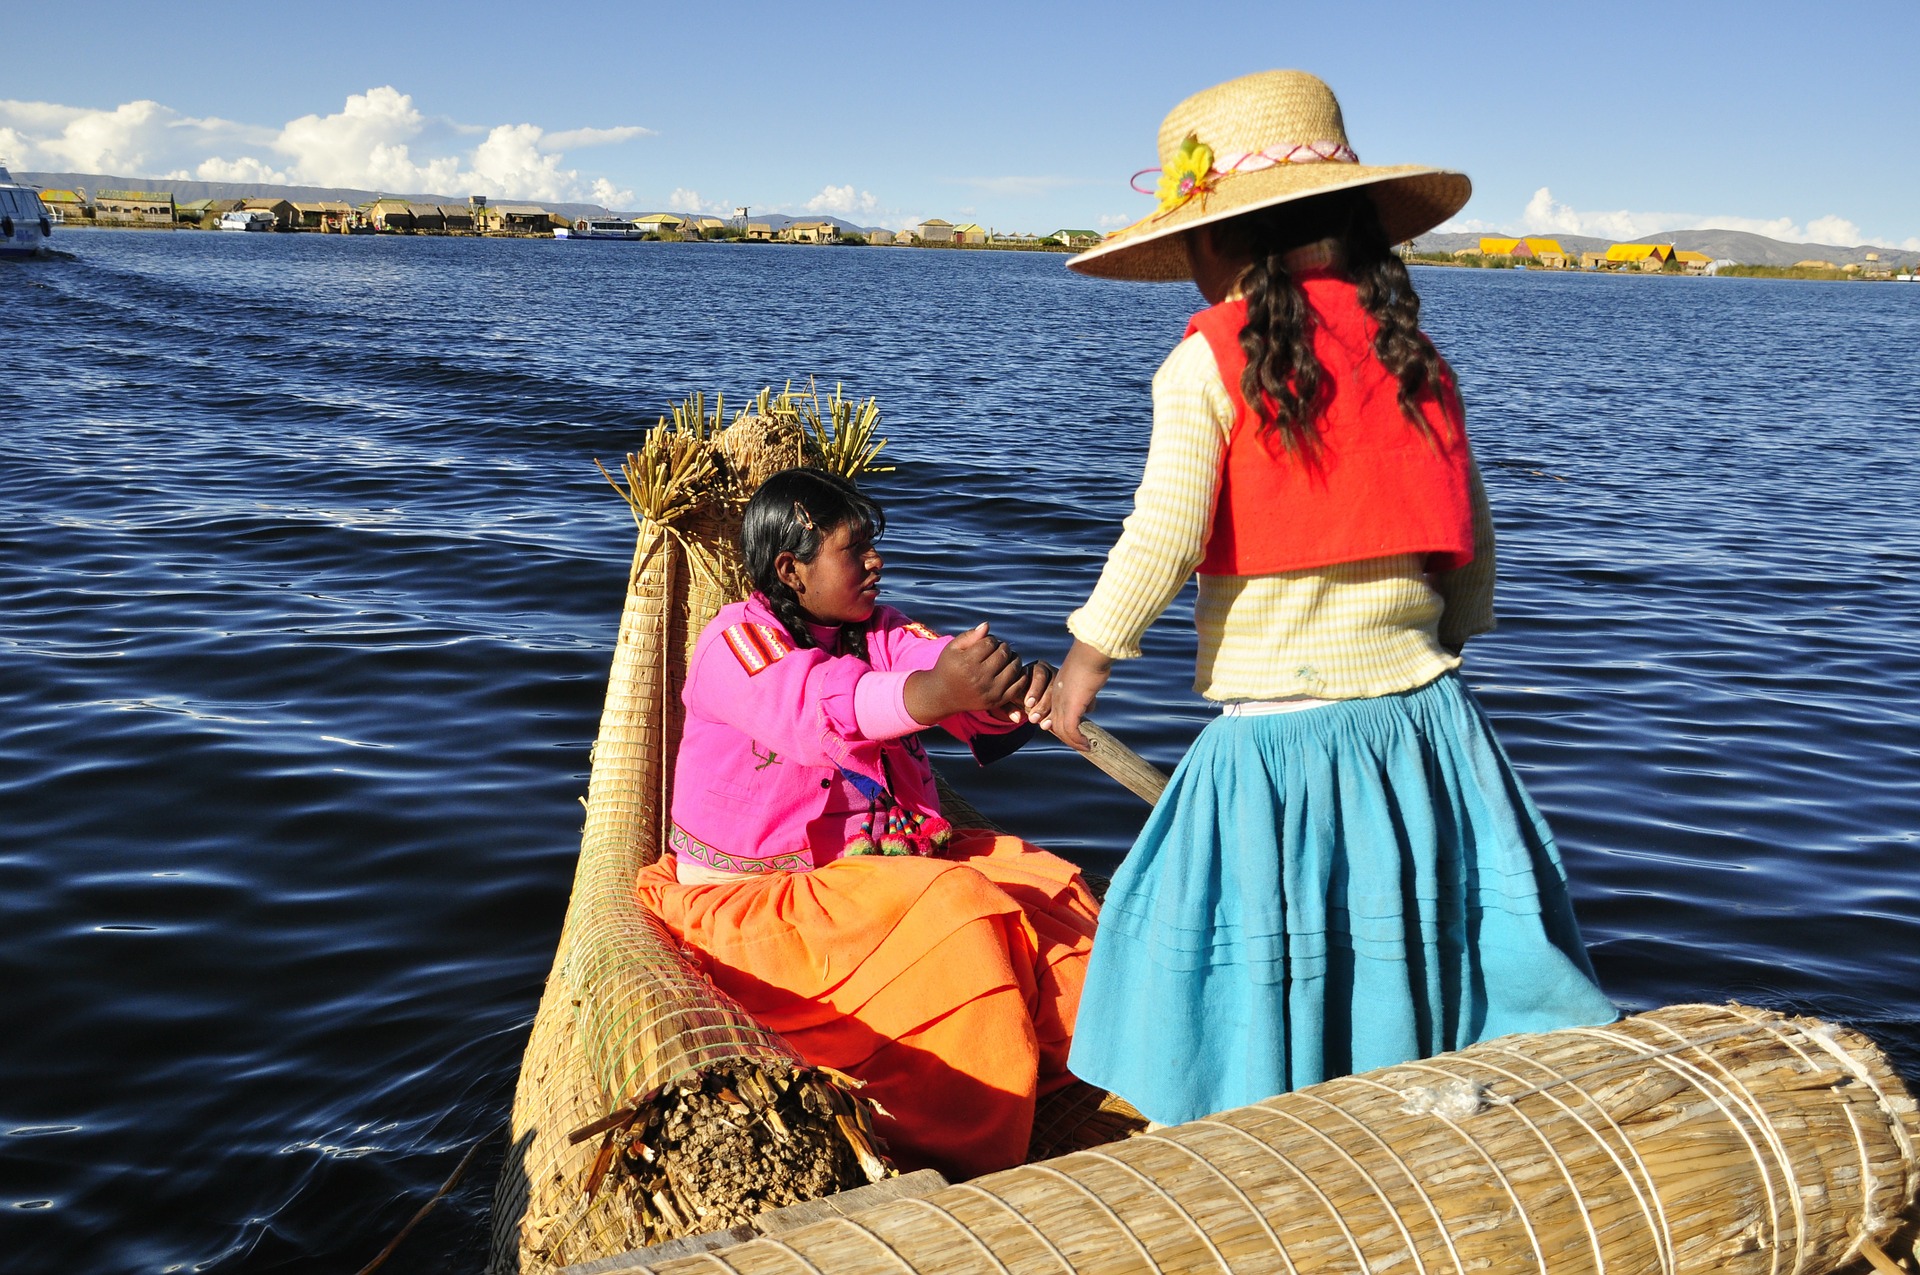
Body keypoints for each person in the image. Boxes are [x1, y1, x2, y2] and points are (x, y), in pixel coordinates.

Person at [1037, 70, 1616, 1126]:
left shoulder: (1207, 362)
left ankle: (1264, 1143)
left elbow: (1162, 532)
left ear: (1221, 245)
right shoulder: (1415, 355)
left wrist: (1085, 662)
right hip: (1426, 727)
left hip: (1284, 744)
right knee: (1408, 947)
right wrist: (1449, 640)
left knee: (1203, 945)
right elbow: (1473, 535)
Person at [634, 467, 1099, 1178]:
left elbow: (927, 661)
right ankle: (961, 1147)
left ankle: (1091, 1062)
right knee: (962, 911)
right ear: (792, 568)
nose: (876, 561)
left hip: (877, 876)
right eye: (857, 550)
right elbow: (815, 705)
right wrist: (933, 692)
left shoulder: (874, 630)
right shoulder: (738, 643)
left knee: (1051, 887)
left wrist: (998, 687)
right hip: (763, 907)